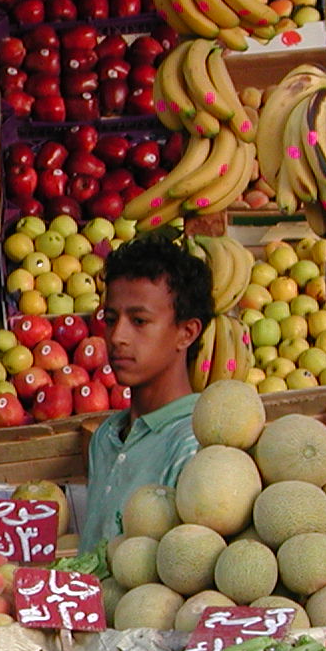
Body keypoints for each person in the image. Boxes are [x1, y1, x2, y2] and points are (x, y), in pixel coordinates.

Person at [83, 231, 213, 542]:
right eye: (111, 319)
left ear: (187, 333)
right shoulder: (105, 437)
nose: (117, 337)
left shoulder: (195, 445)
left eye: (139, 321)